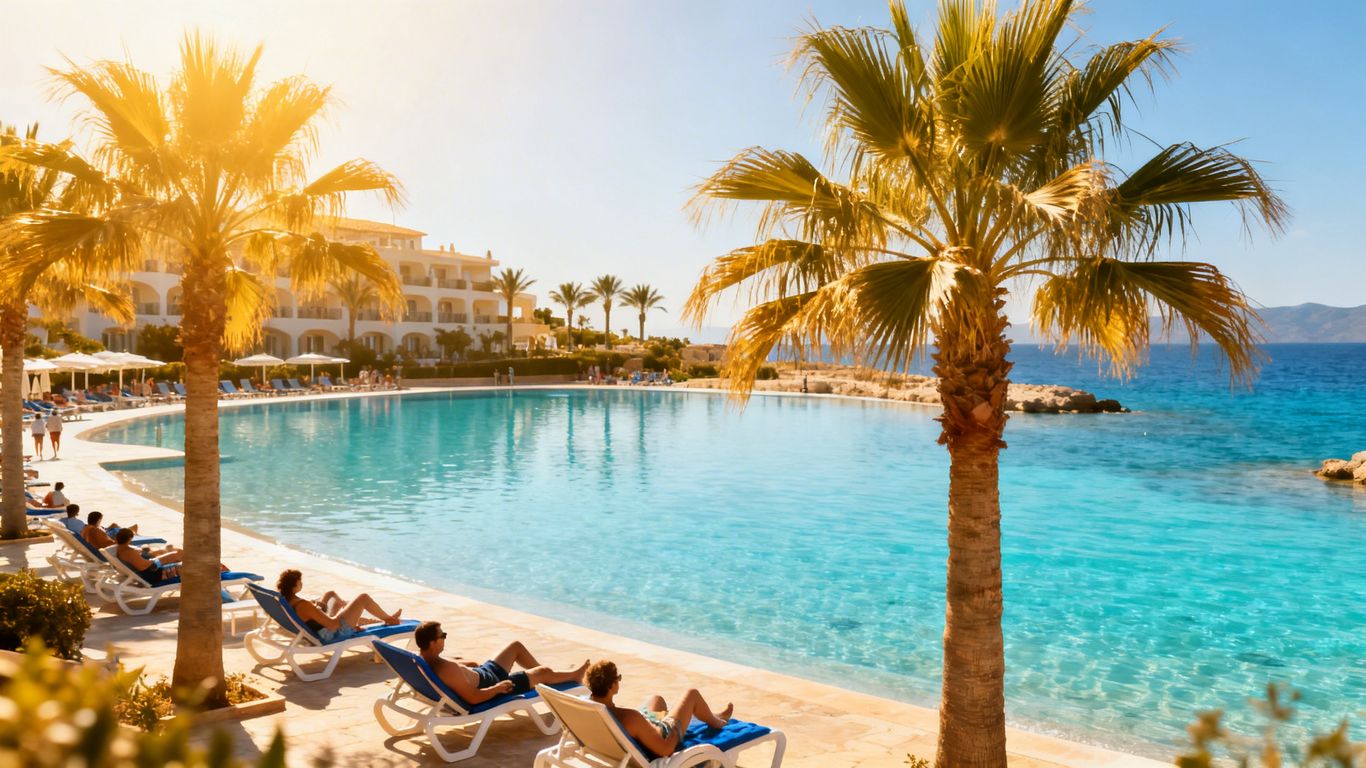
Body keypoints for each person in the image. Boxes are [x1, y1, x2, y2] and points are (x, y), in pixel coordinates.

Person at [585, 660, 733, 760]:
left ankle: (712, 715)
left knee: (657, 699)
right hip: (663, 735)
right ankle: (718, 723)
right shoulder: (630, 718)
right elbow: (665, 750)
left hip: (644, 729)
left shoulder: (590, 709)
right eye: (618, 678)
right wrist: (676, 728)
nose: (618, 681)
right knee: (691, 694)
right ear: (611, 686)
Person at [413, 621, 587, 705]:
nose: (445, 638)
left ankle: (549, 677)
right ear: (433, 642)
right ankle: (571, 676)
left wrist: (465, 665)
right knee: (544, 671)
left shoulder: (420, 659)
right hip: (493, 684)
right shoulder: (446, 668)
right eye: (442, 636)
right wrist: (498, 688)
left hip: (484, 673)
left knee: (515, 646)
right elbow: (473, 698)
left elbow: (459, 672)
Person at [276, 569, 402, 643]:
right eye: (300, 582)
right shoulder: (303, 605)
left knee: (334, 600)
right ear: (295, 585)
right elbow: (333, 624)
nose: (301, 583)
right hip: (332, 634)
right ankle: (389, 619)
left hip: (319, 631)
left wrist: (318, 608)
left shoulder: (285, 600)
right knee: (363, 598)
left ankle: (382, 619)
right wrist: (342, 612)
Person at [114, 528, 184, 584]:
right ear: (129, 539)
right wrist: (159, 559)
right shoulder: (128, 552)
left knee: (172, 551)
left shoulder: (121, 548)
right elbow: (144, 567)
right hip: (152, 575)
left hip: (149, 570)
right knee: (174, 555)